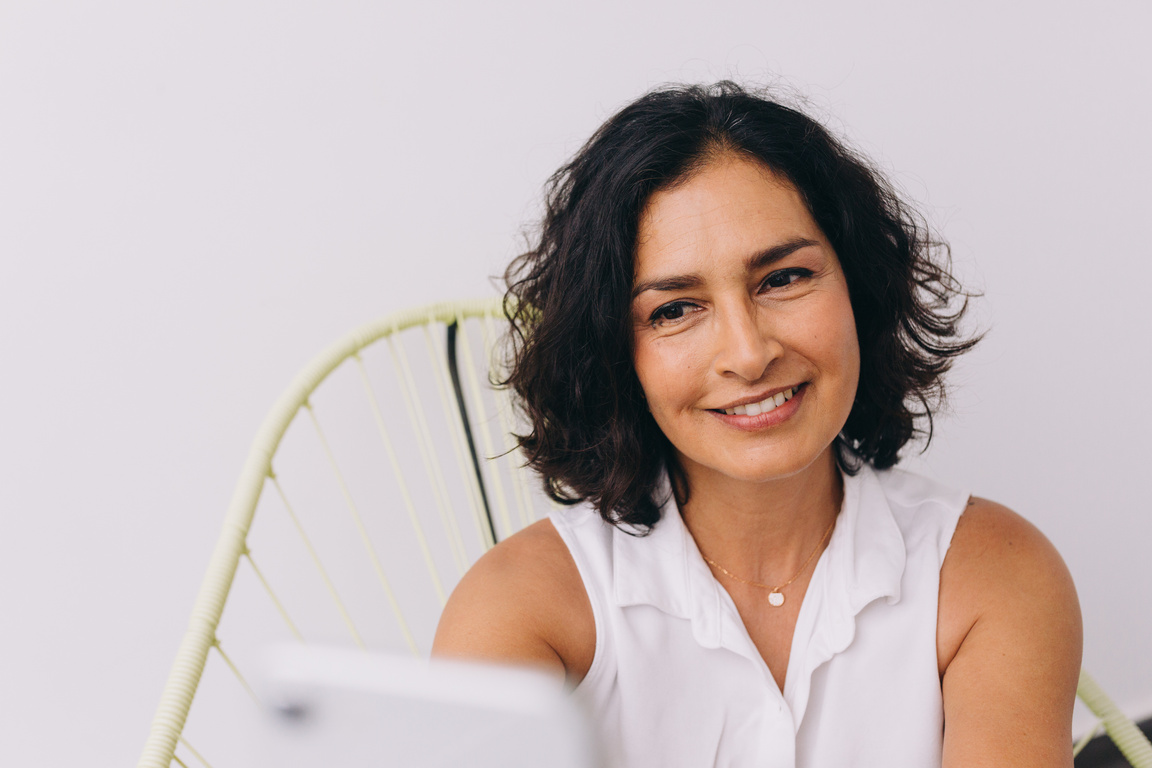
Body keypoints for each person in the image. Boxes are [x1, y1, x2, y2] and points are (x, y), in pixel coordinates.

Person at [432, 81, 1082, 767]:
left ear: (858, 287)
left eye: (783, 279)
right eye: (674, 309)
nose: (748, 353)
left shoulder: (993, 574)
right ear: (616, 354)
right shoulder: (521, 609)